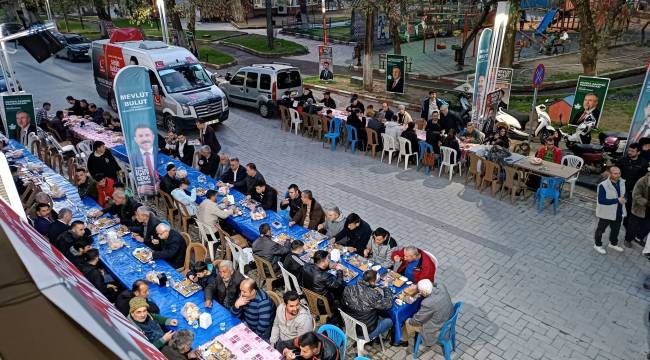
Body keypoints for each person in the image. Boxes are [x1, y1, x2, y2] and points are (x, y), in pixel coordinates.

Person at [403, 279, 453, 354]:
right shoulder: (441, 287)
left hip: (436, 328)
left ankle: (409, 344)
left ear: (423, 292)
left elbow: (417, 320)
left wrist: (409, 320)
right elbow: (435, 284)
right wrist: (419, 286)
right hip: (448, 316)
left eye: (420, 291)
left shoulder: (427, 303)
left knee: (408, 322)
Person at [342, 270, 393, 342]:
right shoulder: (371, 294)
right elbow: (388, 304)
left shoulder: (348, 288)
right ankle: (386, 339)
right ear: (372, 281)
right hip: (366, 332)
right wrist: (386, 288)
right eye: (375, 281)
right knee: (390, 321)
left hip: (350, 326)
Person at [616, 143, 649, 238]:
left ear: (638, 152)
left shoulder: (644, 163)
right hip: (621, 190)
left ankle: (628, 229)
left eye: (632, 151)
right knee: (619, 209)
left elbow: (645, 179)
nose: (629, 152)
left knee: (630, 212)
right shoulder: (622, 160)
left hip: (634, 193)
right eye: (629, 150)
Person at [594, 166, 626, 254]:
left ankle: (613, 243)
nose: (618, 175)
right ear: (610, 174)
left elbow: (624, 193)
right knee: (601, 230)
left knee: (616, 229)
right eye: (615, 173)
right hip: (607, 212)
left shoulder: (622, 182)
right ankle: (597, 245)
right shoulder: (603, 185)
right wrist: (617, 200)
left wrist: (625, 198)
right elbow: (601, 200)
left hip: (618, 211)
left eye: (619, 173)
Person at [130, 125, 158, 194]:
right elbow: (133, 174)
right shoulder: (132, 157)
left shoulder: (160, 153)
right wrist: (139, 188)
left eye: (147, 135)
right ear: (135, 139)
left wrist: (160, 183)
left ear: (153, 137)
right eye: (140, 136)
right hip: (145, 192)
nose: (144, 139)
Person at [629, 167, 650, 246]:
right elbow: (636, 195)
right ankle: (628, 240)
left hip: (648, 209)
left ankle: (638, 238)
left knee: (647, 226)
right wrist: (647, 203)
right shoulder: (641, 181)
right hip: (640, 207)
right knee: (633, 225)